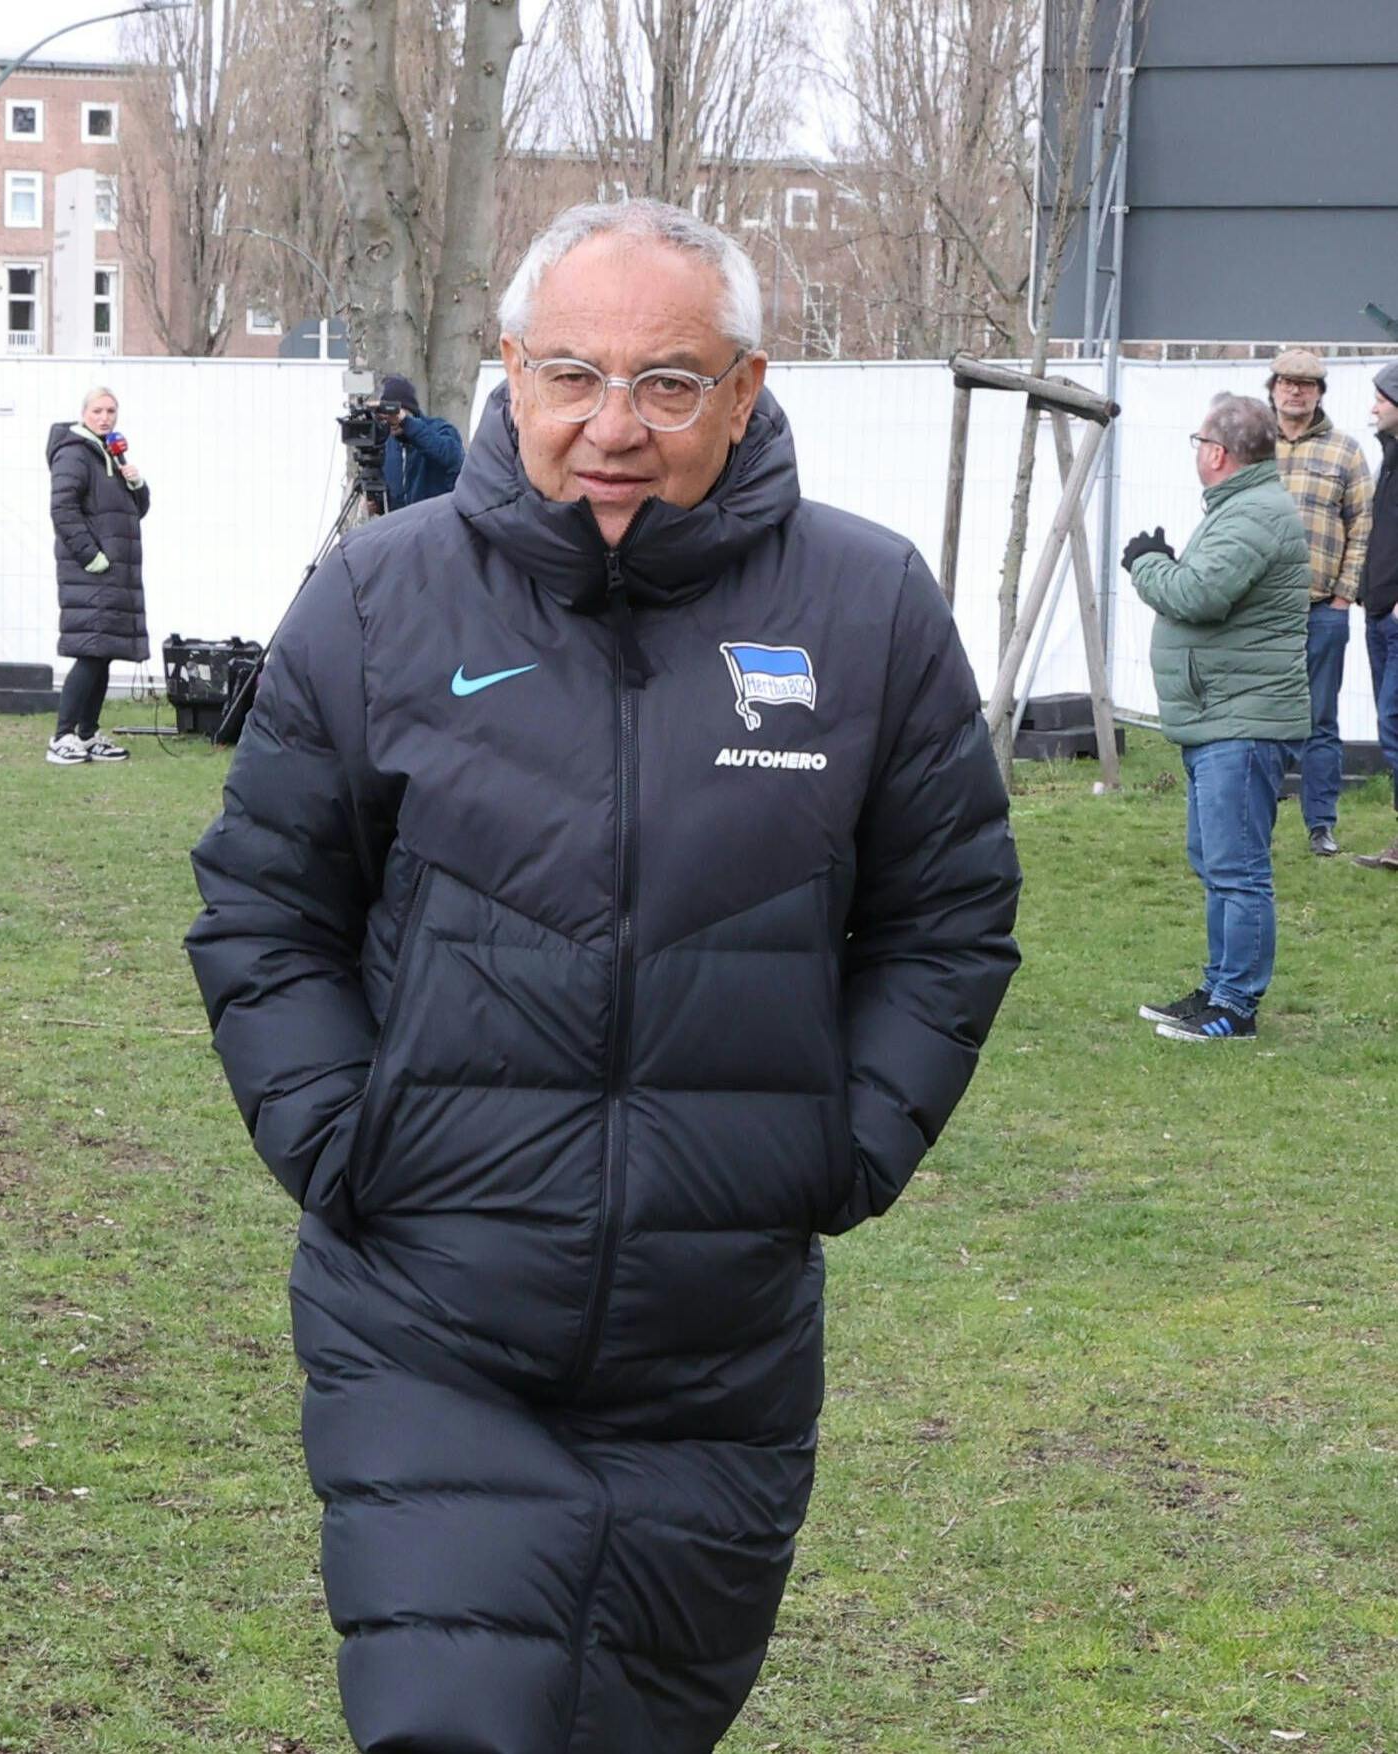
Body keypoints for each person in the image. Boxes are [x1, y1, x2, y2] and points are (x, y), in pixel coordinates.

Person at [186, 199, 1020, 1753]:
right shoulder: (376, 599)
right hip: (431, 1305)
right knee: (458, 1712)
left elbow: (946, 913)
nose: (612, 426)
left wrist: (841, 1145)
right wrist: (340, 1133)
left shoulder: (866, 605)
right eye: (572, 373)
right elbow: (264, 902)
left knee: (637, 1718)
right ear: (510, 368)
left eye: (667, 382)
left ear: (746, 388)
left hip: (716, 1334)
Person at [1124, 393, 1310, 1042]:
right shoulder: (1243, 508)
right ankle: (1217, 986)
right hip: (1223, 717)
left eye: (1199, 442)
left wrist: (1147, 562)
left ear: (1216, 452)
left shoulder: (1253, 512)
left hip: (1243, 722)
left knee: (1238, 868)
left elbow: (1198, 595)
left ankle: (1236, 1006)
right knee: (1217, 860)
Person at [1268, 347, 1373, 856]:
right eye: (1287, 382)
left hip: (1321, 610)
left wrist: (1342, 596)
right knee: (1259, 717)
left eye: (1306, 385)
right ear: (1273, 388)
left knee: (1321, 720)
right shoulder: (1251, 443)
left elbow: (1363, 527)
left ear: (1319, 393)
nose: (1295, 391)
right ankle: (1255, 820)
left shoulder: (1346, 452)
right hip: (1259, 611)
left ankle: (1320, 825)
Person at [46, 386, 149, 765]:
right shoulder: (74, 454)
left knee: (103, 653)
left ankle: (87, 735)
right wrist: (92, 557)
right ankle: (61, 737)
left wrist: (136, 483)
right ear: (83, 414)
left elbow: (136, 510)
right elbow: (63, 509)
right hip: (91, 573)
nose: (105, 418)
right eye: (97, 411)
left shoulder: (112, 453)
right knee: (90, 653)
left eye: (111, 411)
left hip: (113, 573)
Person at [1352, 362, 1398, 871]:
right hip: (1380, 615)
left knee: (1394, 721)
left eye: (1382, 398)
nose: (1373, 407)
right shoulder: (1390, 457)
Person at [373, 373, 463, 511]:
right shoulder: (387, 442)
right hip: (402, 529)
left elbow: (450, 456)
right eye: (386, 416)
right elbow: (396, 498)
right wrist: (376, 504)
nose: (391, 420)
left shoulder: (440, 429)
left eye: (394, 413)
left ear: (410, 411)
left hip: (437, 525)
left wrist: (407, 424)